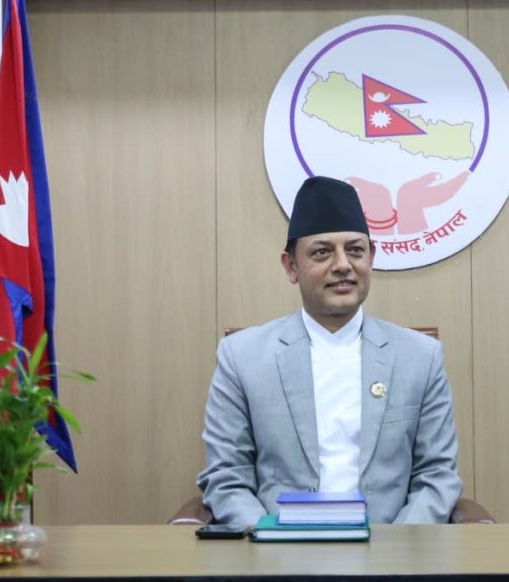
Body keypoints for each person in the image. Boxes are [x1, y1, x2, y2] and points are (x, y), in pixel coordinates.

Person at [197, 176, 462, 525]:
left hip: (389, 548)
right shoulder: (242, 357)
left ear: (371, 258)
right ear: (291, 267)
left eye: (355, 250)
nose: (342, 265)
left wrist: (394, 547)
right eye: (322, 252)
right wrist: (268, 539)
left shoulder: (421, 357)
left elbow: (437, 475)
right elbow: (226, 477)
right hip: (278, 549)